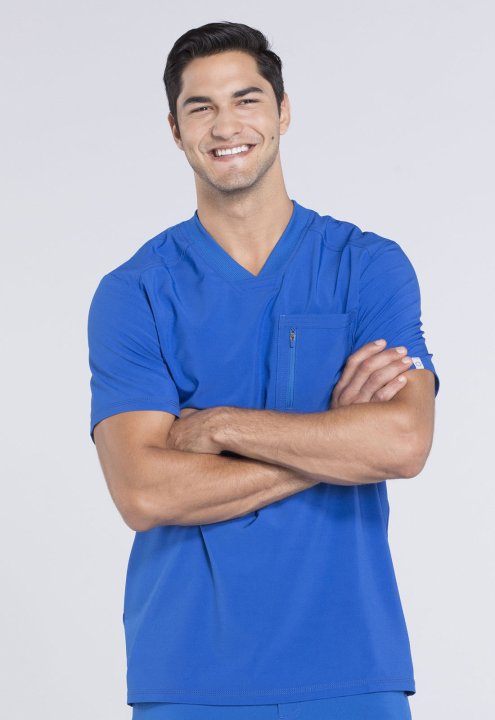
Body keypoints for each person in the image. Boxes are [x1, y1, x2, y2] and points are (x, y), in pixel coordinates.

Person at [87, 21, 440, 720]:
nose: (226, 126)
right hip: (189, 673)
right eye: (201, 107)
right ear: (175, 130)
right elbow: (144, 493)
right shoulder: (135, 293)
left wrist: (219, 426)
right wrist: (336, 440)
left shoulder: (366, 266)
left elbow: (403, 443)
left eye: (246, 100)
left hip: (350, 665)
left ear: (283, 111)